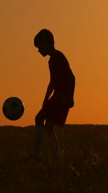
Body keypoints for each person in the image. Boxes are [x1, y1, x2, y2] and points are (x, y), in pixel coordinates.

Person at [30, 29, 75, 160]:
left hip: (61, 97)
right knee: (48, 126)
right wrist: (45, 99)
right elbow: (52, 82)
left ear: (46, 44)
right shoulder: (52, 60)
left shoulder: (58, 58)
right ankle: (56, 157)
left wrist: (70, 98)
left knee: (39, 119)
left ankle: (36, 155)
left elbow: (72, 77)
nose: (38, 51)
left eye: (39, 47)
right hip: (57, 96)